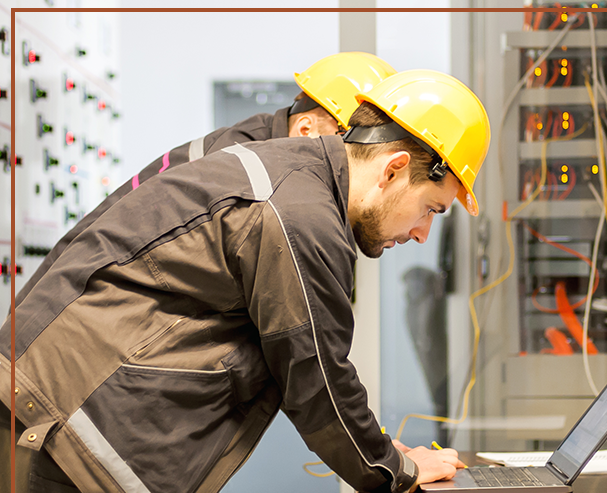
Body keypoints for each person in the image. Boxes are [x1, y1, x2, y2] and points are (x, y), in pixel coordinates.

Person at [0, 68, 490, 493]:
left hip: (98, 437)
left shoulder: (290, 179)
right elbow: (317, 377)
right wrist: (395, 469)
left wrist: (378, 453)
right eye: (430, 209)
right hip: (73, 440)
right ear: (395, 168)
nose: (422, 233)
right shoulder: (299, 214)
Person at [14, 51, 397, 309]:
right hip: (78, 311)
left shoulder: (261, 157)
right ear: (308, 127)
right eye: (351, 143)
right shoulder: (244, 173)